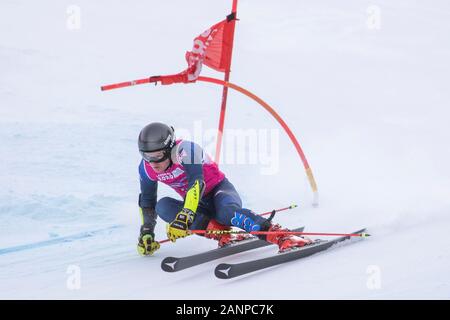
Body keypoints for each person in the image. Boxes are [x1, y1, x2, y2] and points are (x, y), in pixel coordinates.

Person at [136, 122, 312, 256]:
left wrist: (185, 216)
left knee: (225, 212)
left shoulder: (185, 150)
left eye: (158, 156)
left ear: (169, 150)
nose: (153, 163)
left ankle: (282, 236)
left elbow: (197, 182)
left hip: (219, 193)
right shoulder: (146, 168)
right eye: (146, 156)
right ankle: (224, 235)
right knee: (163, 206)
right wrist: (147, 232)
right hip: (198, 205)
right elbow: (147, 202)